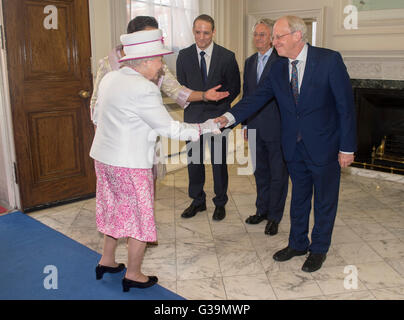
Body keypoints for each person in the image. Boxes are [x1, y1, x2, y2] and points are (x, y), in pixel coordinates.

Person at [215, 15, 356, 272]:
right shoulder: (278, 67)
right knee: (299, 197)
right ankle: (297, 243)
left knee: (324, 200)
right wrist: (229, 117)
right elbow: (256, 98)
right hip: (292, 145)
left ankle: (319, 248)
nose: (273, 41)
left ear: (297, 36)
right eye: (274, 36)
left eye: (278, 36)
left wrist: (347, 147)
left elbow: (345, 107)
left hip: (325, 145)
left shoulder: (329, 60)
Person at [90, 29, 220, 291]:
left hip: (104, 159)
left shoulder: (110, 78)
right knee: (138, 219)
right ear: (147, 61)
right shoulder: (144, 89)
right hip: (130, 164)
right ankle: (134, 274)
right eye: (160, 60)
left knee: (114, 208)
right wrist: (205, 127)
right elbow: (170, 129)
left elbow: (96, 115)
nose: (162, 66)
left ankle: (106, 260)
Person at [90, 16, 230, 182]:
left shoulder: (135, 70)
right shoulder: (122, 74)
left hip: (113, 155)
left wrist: (204, 95)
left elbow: (177, 91)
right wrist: (206, 127)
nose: (161, 63)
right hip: (127, 157)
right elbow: (95, 109)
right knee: (138, 200)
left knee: (118, 204)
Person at [176, 14, 241, 221]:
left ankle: (220, 202)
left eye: (206, 32)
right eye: (198, 32)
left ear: (213, 32)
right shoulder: (183, 56)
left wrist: (219, 107)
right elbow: (181, 88)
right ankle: (197, 201)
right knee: (194, 162)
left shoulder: (227, 56)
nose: (201, 37)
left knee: (219, 163)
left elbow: (234, 88)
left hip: (217, 119)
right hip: (192, 119)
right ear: (193, 32)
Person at [242, 19, 288, 236]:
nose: (258, 38)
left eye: (262, 34)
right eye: (256, 34)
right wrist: (244, 123)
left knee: (278, 173)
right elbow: (247, 95)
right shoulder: (249, 62)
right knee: (260, 171)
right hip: (253, 126)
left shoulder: (283, 61)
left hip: (277, 127)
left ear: (271, 38)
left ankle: (274, 217)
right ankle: (262, 210)